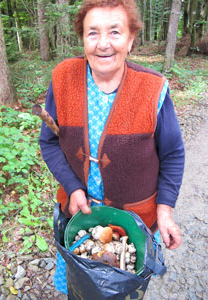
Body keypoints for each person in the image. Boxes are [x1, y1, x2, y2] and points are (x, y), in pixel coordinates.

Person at [39, 0, 185, 294]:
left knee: (123, 291)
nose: (103, 43)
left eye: (115, 32)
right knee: (81, 290)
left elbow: (173, 154)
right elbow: (49, 141)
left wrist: (165, 211)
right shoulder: (64, 79)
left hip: (135, 222)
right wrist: (72, 186)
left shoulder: (152, 89)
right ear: (82, 38)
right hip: (81, 219)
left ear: (131, 39)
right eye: (93, 33)